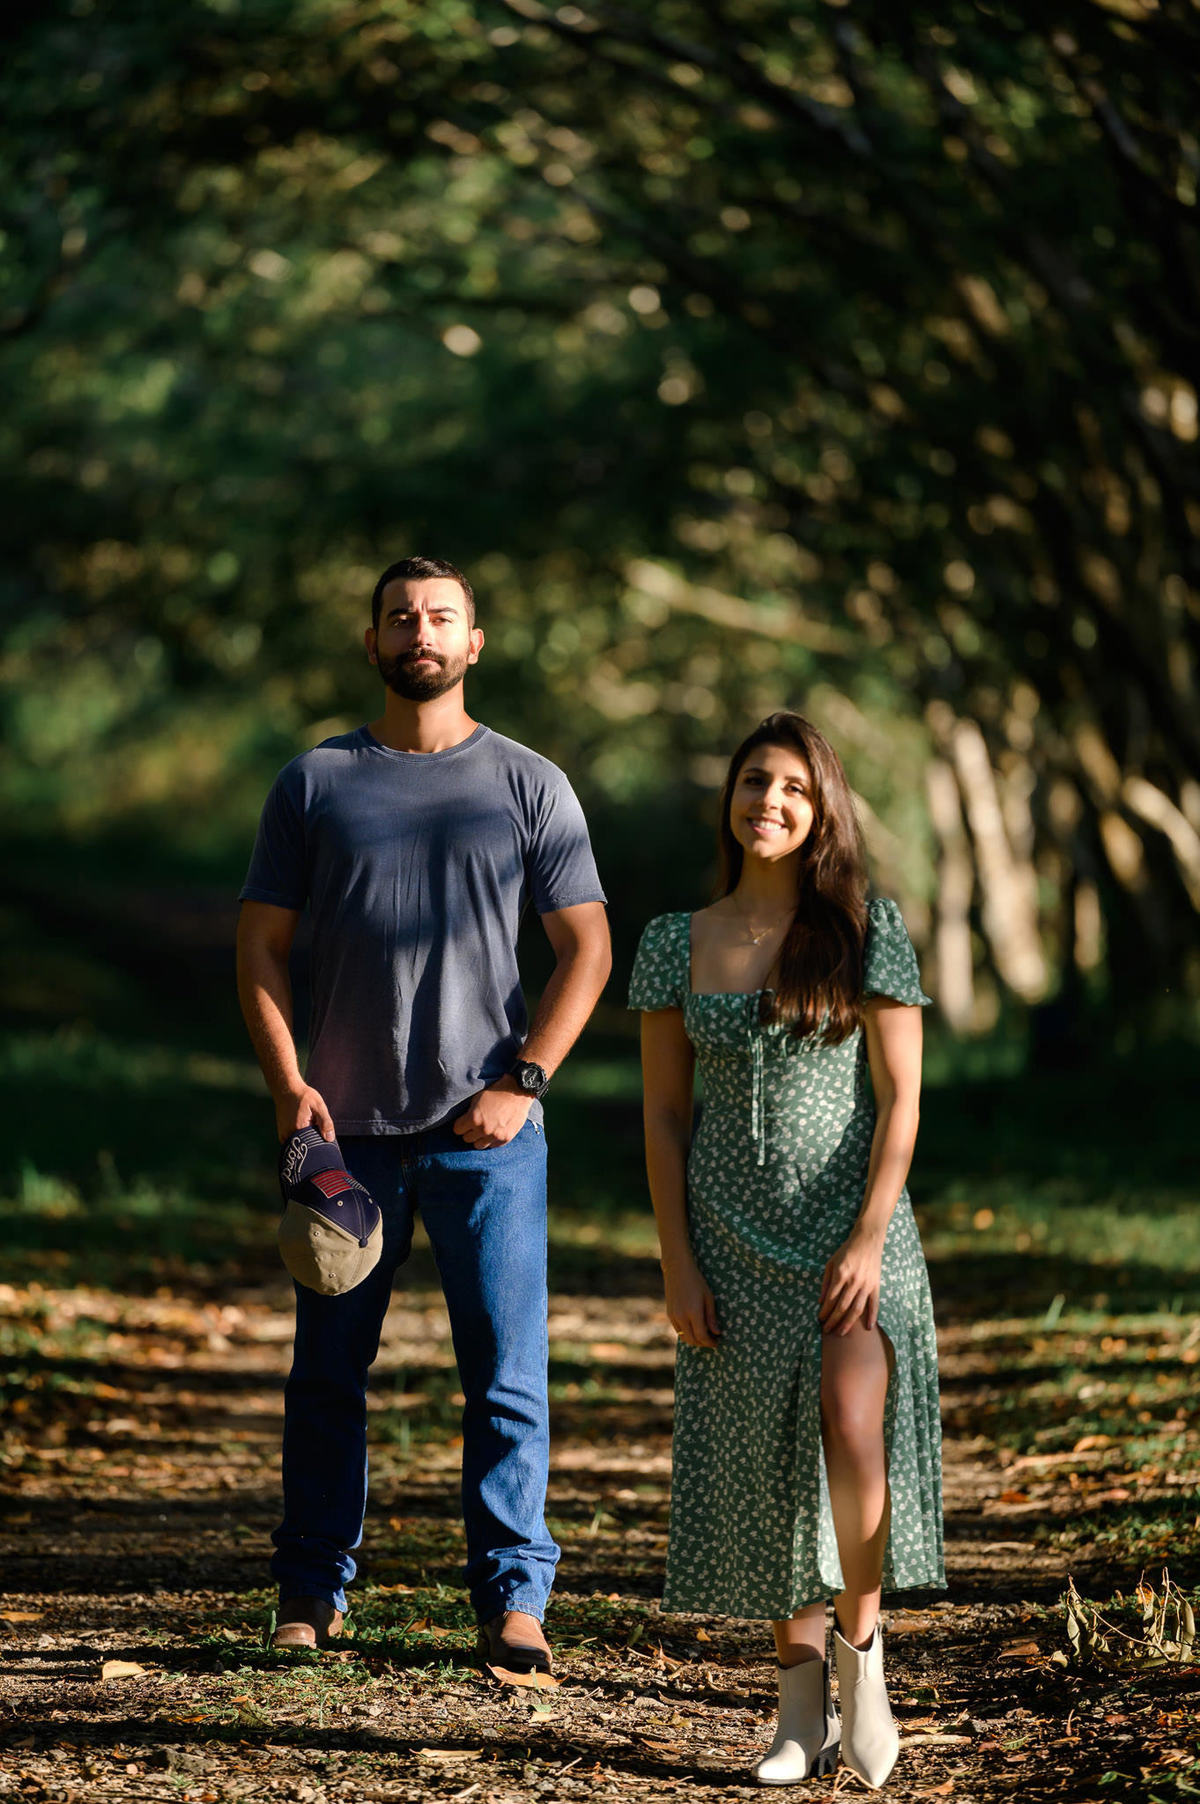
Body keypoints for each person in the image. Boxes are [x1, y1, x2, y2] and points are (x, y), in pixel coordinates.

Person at [236, 555, 611, 1672]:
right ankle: (310, 1593)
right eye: (401, 616)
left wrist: (526, 1080)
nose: (420, 631)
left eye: (441, 615)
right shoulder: (314, 784)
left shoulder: (529, 782)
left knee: (504, 1375)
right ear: (373, 643)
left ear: (475, 641)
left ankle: (514, 1601)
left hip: (485, 1140)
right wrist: (287, 1085)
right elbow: (258, 946)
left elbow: (587, 947)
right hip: (346, 1147)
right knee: (326, 1377)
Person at [628, 711, 943, 1789]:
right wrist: (677, 1259)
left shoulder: (867, 931)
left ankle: (865, 1658)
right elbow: (663, 1117)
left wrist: (867, 1233)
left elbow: (901, 1102)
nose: (771, 800)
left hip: (854, 1234)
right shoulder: (676, 938)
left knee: (853, 1430)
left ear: (823, 814)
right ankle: (794, 1710)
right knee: (772, 1468)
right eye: (756, 780)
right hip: (730, 1239)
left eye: (796, 790)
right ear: (732, 795)